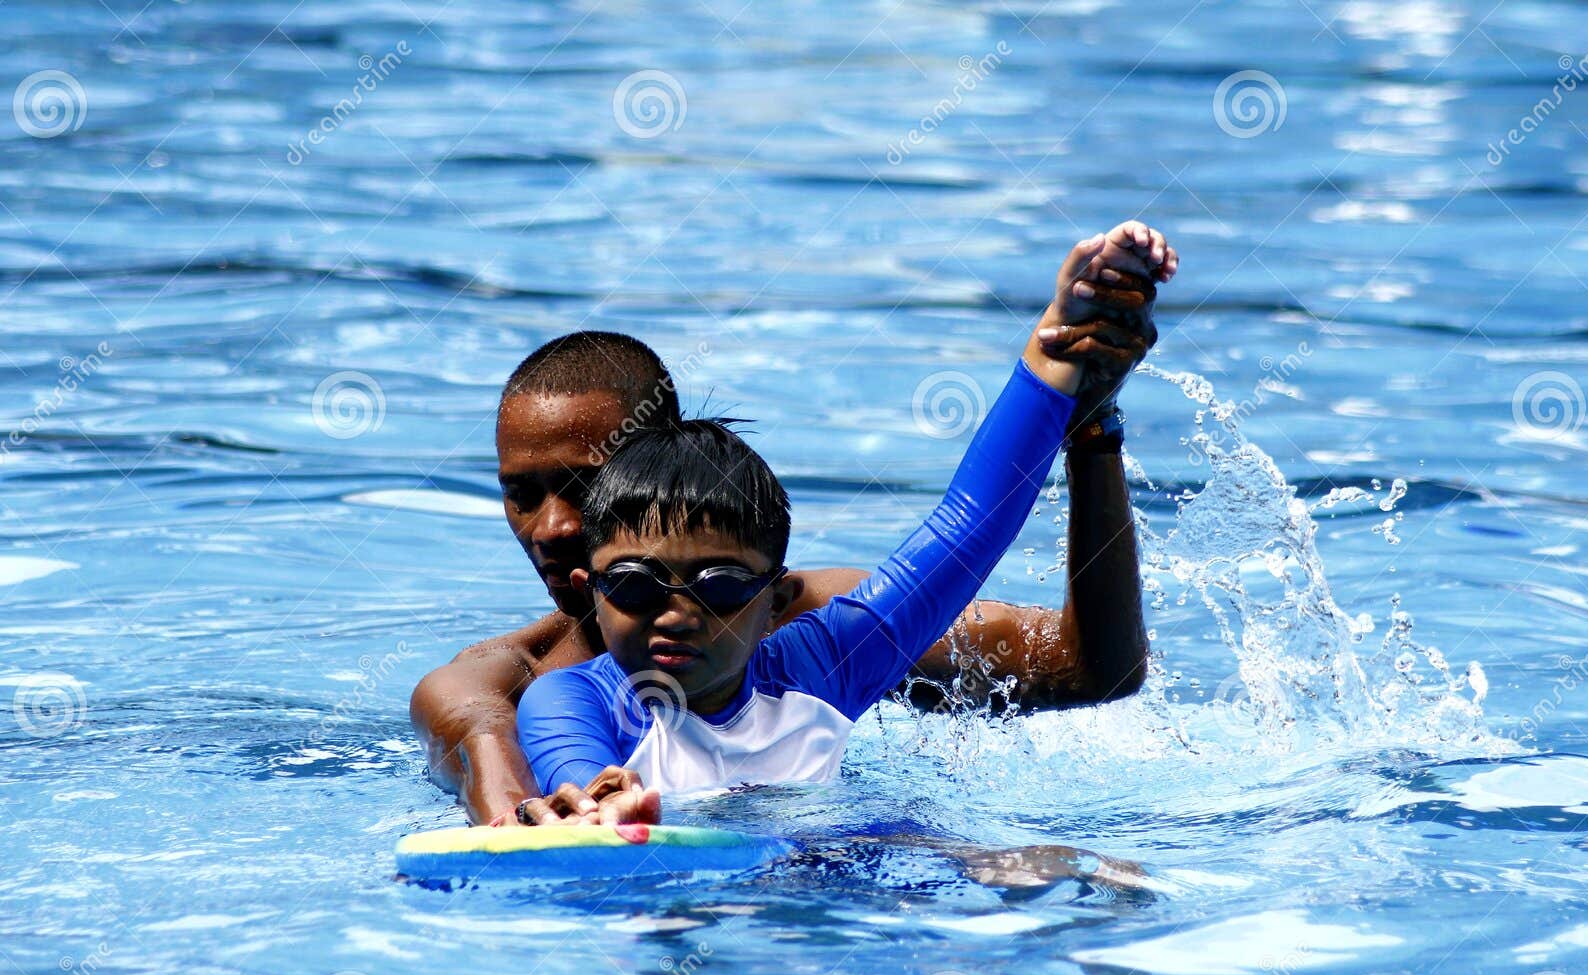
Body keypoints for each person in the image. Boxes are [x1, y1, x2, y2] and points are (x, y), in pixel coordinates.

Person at [411, 222, 1177, 825]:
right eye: (522, 493)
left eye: (585, 486)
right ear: (594, 579)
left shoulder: (817, 644)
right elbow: (504, 766)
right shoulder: (521, 685)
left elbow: (1062, 635)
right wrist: (578, 804)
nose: (549, 526)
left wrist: (1080, 411)